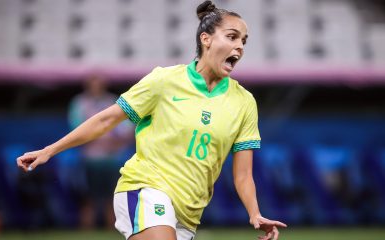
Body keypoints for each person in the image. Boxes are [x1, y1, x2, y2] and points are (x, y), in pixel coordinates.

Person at [17, 1, 287, 239]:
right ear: (206, 39)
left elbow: (242, 174)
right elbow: (106, 119)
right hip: (145, 188)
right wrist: (49, 150)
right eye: (232, 36)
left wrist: (255, 213)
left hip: (189, 213)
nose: (239, 46)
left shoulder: (244, 102)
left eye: (244, 41)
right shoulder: (165, 80)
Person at [68, 75, 135, 229]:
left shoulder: (114, 101)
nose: (96, 86)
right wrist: (97, 136)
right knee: (88, 198)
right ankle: (86, 231)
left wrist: (116, 141)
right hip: (89, 159)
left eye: (100, 82)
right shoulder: (80, 103)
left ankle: (112, 230)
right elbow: (76, 128)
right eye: (93, 82)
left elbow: (127, 129)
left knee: (113, 197)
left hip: (112, 159)